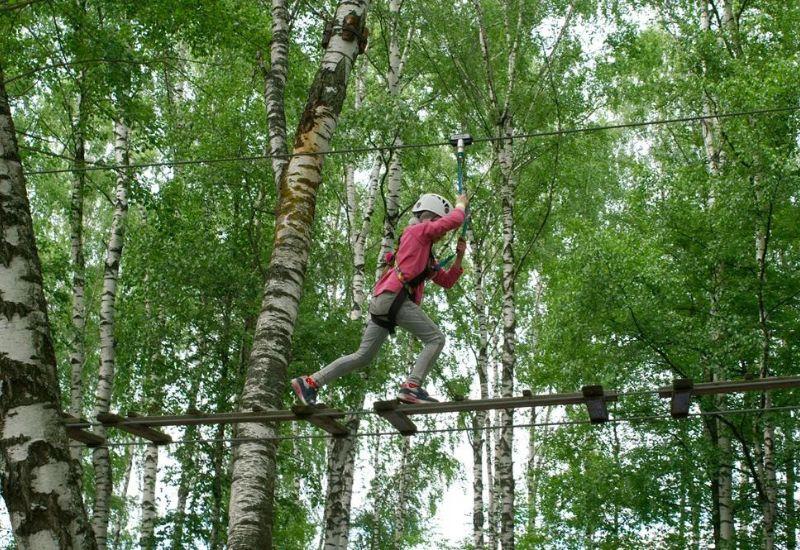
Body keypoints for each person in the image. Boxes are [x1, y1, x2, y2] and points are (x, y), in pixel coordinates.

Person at [291, 192, 469, 405]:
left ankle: (310, 382)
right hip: (395, 298)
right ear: (430, 218)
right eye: (438, 227)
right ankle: (412, 386)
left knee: (363, 356)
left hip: (386, 301)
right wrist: (461, 205)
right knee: (436, 339)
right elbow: (455, 219)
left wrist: (459, 257)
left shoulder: (424, 251)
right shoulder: (417, 231)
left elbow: (447, 281)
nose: (439, 236)